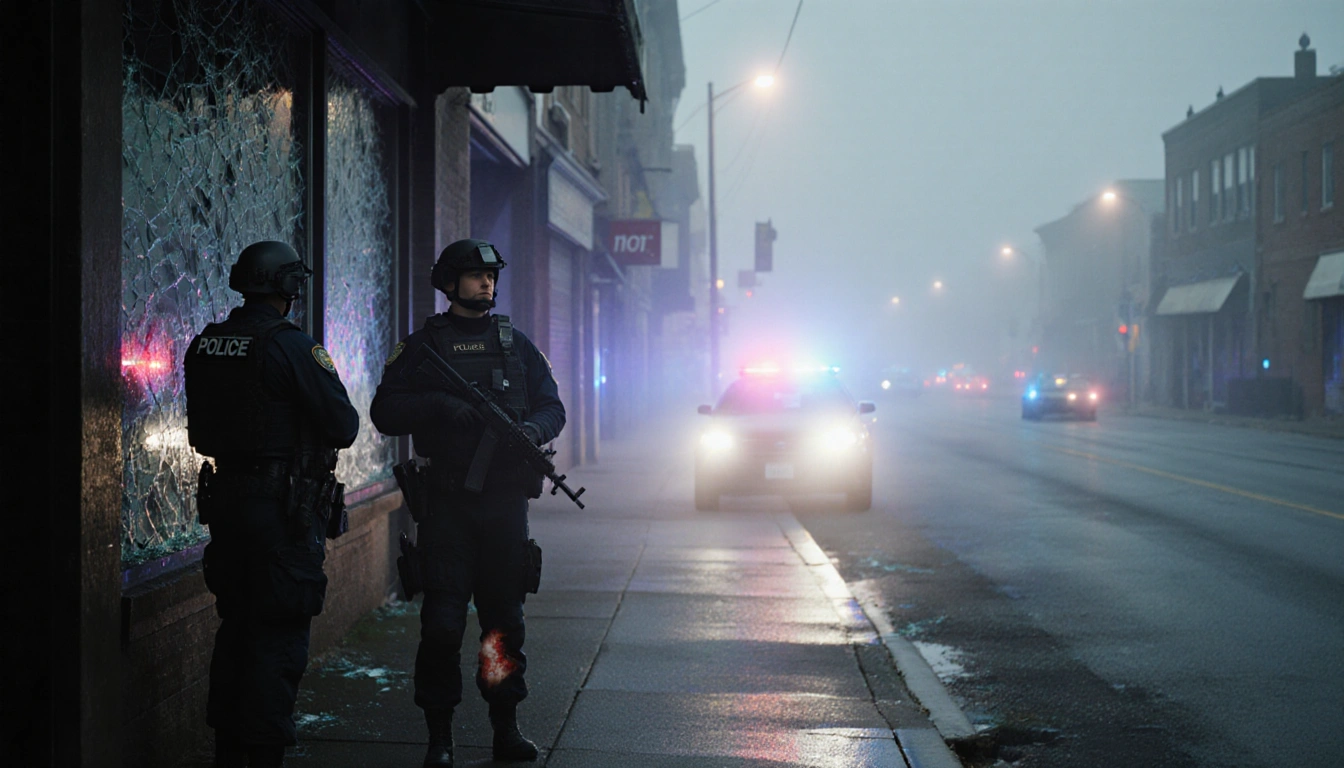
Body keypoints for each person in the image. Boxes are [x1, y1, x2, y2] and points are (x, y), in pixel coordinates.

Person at [371, 238, 566, 767]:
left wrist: (530, 427)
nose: (487, 284)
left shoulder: (516, 344)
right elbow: (385, 409)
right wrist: (438, 405)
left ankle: (506, 726)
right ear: (450, 283)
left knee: (503, 625)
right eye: (476, 276)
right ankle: (440, 737)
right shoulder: (423, 347)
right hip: (446, 508)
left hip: (503, 506)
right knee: (442, 626)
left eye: (492, 276)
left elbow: (554, 407)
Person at [185, 240, 360, 768]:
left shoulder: (207, 342)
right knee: (277, 638)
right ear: (286, 287)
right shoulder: (292, 345)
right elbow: (344, 426)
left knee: (236, 629)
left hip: (229, 506)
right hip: (280, 512)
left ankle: (229, 752)